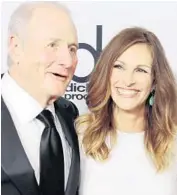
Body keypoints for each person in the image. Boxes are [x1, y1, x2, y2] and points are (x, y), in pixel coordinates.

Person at [76, 27, 177, 195]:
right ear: (106, 72)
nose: (128, 80)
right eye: (118, 66)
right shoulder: (80, 135)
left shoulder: (172, 141)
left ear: (155, 81)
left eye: (141, 70)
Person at [1, 2, 80, 195]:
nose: (68, 61)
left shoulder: (70, 114)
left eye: (72, 49)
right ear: (16, 47)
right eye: (52, 45)